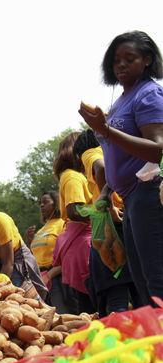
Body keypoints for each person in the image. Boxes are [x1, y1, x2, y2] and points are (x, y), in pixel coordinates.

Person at [79, 30, 163, 307]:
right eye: (116, 60)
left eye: (130, 58)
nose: (121, 65)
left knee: (155, 280)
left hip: (149, 193)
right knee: (141, 281)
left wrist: (105, 130)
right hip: (129, 198)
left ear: (147, 60)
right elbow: (119, 156)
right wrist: (106, 189)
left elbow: (156, 148)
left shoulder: (148, 94)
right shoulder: (121, 101)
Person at [73, 129, 140, 316]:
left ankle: (117, 339)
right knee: (137, 287)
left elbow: (100, 167)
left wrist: (108, 206)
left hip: (109, 225)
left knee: (114, 288)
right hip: (127, 218)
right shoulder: (118, 153)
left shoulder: (90, 152)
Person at [52, 132, 91, 314]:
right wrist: (104, 210)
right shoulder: (72, 176)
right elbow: (74, 210)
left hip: (80, 245)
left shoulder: (74, 176)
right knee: (93, 307)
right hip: (83, 247)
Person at [25, 191, 70, 311]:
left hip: (57, 278)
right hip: (40, 279)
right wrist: (30, 242)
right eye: (40, 203)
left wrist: (49, 275)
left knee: (62, 317)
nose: (41, 205)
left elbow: (68, 254)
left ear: (56, 204)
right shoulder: (41, 230)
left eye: (45, 202)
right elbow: (34, 256)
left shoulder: (63, 223)